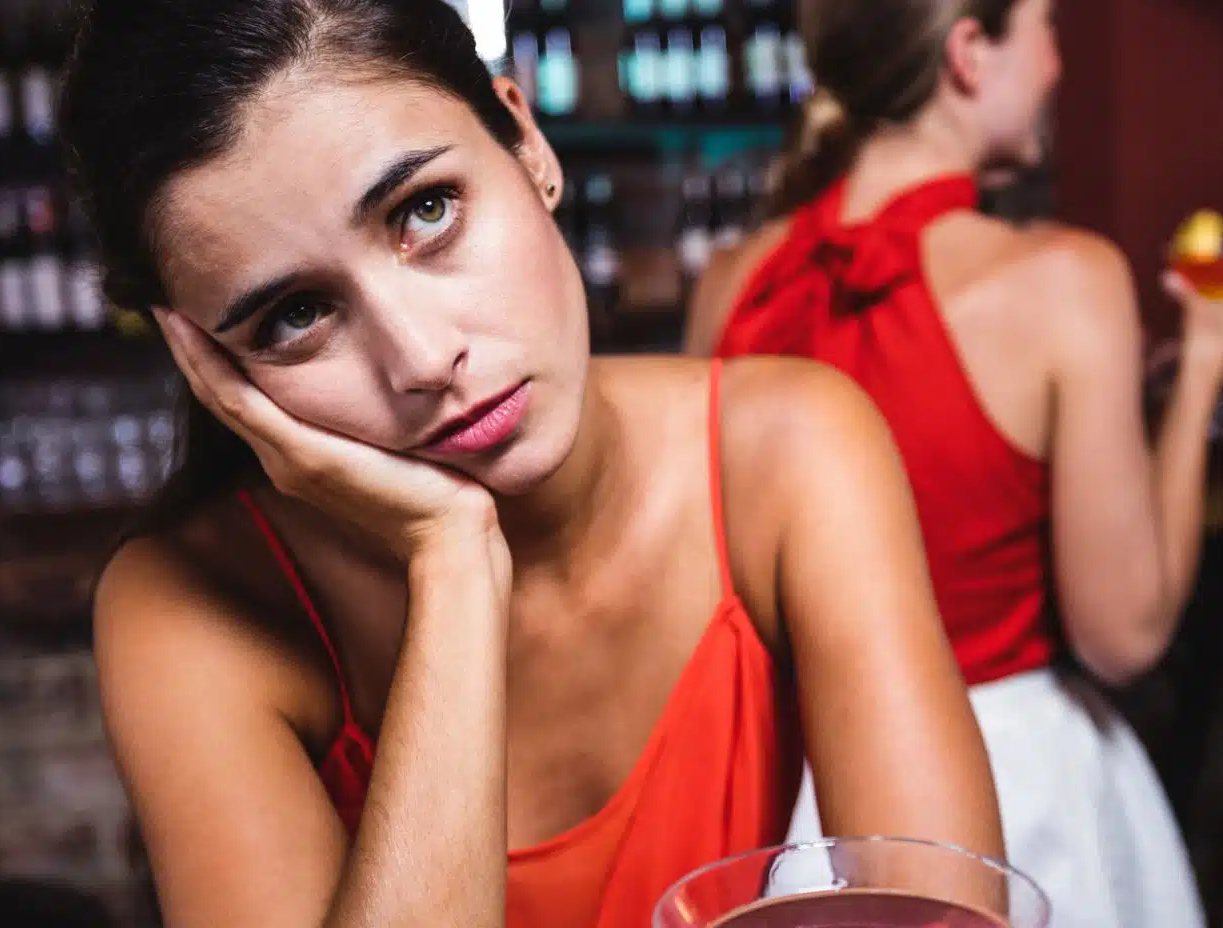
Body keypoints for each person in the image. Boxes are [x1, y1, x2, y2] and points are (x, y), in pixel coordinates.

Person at [62, 1, 1003, 926]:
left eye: (426, 211)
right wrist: (454, 564)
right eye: (296, 316)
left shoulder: (790, 452)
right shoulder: (189, 607)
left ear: (526, 144)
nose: (424, 360)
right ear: (211, 366)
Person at [685, 1, 1223, 925]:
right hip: (1003, 793)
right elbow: (1123, 634)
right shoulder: (1066, 281)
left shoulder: (732, 281)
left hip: (781, 805)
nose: (1055, 66)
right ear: (969, 52)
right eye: (1046, 27)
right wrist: (1206, 365)